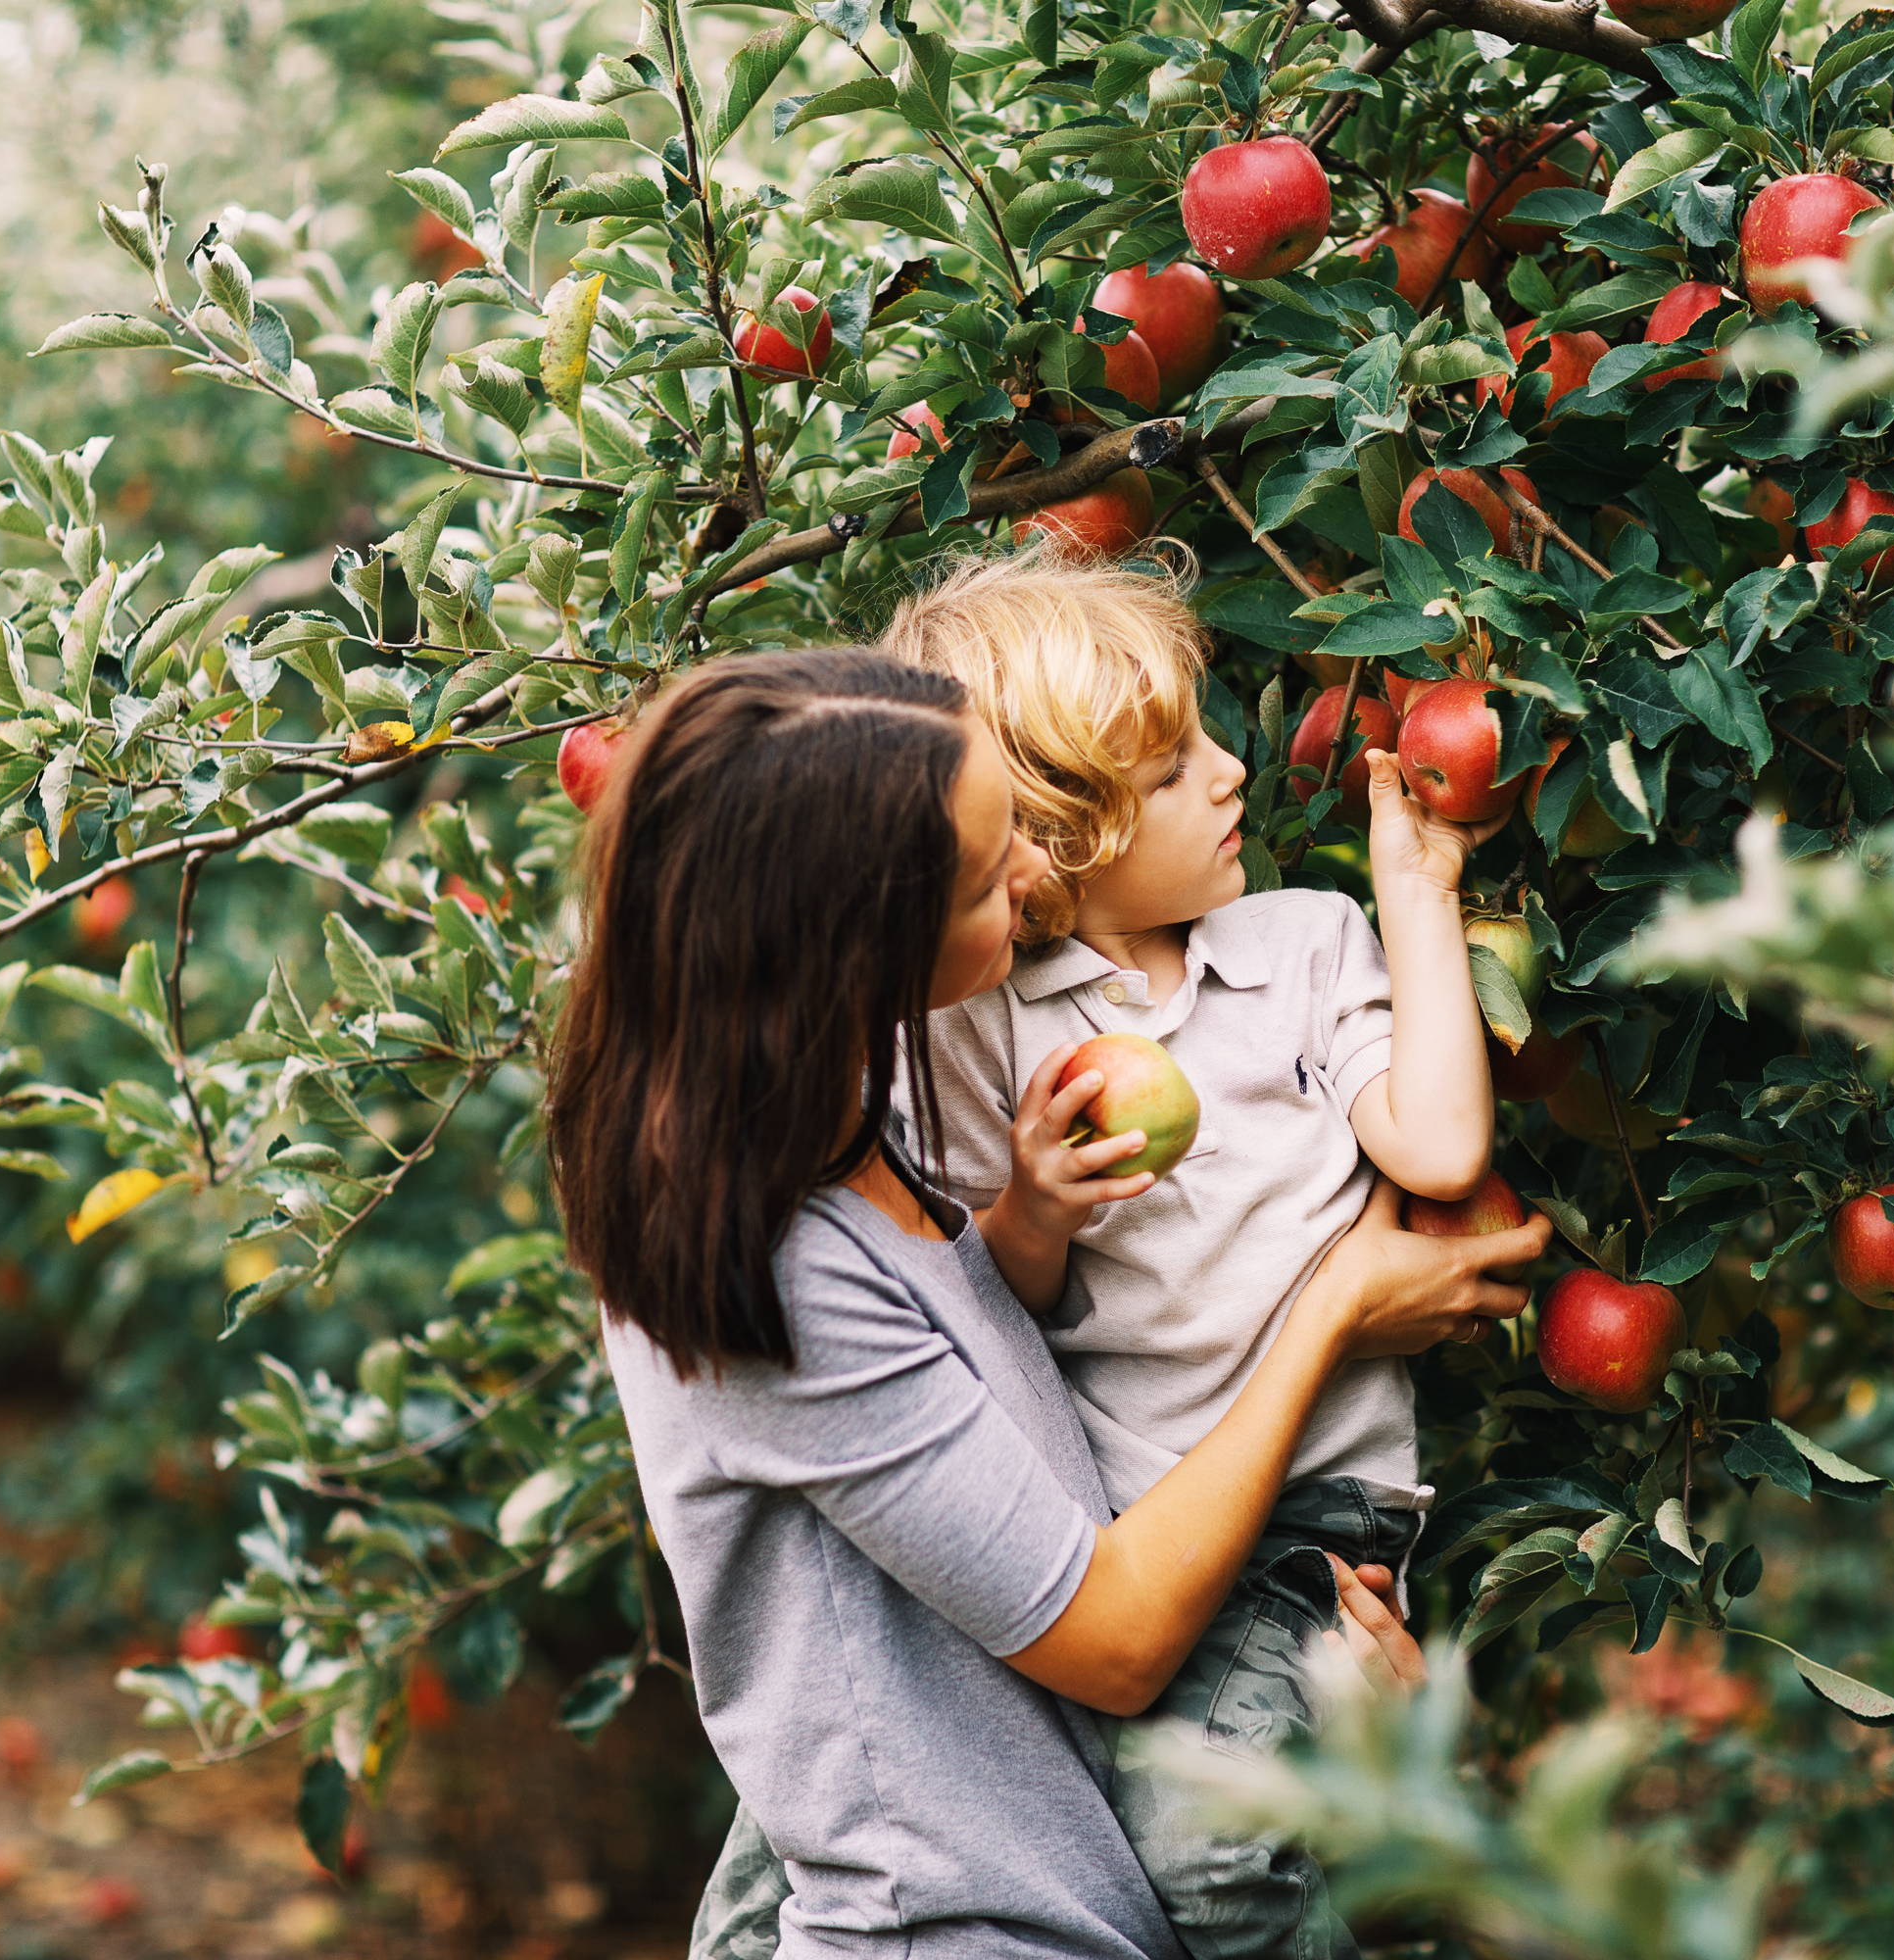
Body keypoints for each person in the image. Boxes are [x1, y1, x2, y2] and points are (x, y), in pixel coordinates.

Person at [551, 647, 1547, 1960]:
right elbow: (1118, 1637)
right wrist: (1337, 1304)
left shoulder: (870, 1128)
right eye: (989, 869)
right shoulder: (772, 1272)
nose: (1038, 876)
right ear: (862, 950)